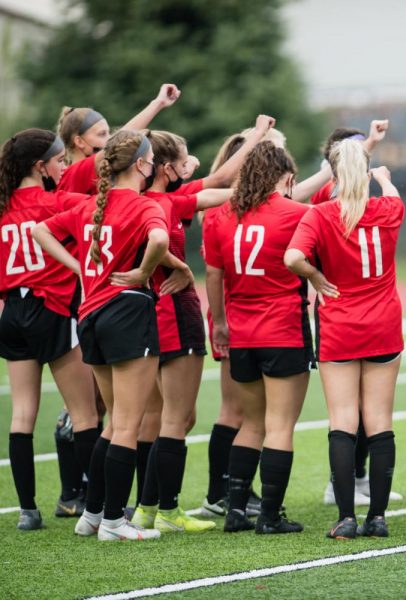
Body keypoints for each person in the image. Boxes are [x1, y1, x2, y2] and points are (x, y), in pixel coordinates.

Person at [33, 129, 170, 541]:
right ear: (142, 164)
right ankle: (113, 521)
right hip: (127, 311)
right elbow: (160, 238)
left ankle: (91, 514)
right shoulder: (143, 205)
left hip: (90, 314)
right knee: (129, 423)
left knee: (112, 425)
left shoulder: (92, 205)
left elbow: (40, 231)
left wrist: (79, 268)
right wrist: (145, 272)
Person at [285, 141, 404, 540]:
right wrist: (384, 179)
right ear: (366, 172)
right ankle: (379, 517)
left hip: (339, 325)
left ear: (333, 175)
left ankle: (347, 517)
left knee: (343, 421)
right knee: (380, 421)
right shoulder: (388, 208)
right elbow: (393, 195)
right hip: (383, 324)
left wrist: (316, 278)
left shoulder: (320, 214)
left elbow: (291, 258)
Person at [204, 141, 312, 535]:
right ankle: (269, 515)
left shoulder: (220, 215)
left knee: (251, 423)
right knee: (280, 425)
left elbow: (213, 276)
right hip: (282, 327)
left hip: (241, 330)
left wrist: (218, 323)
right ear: (284, 177)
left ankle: (235, 509)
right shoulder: (297, 213)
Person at [126, 129, 232, 533]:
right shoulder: (167, 202)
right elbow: (225, 191)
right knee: (176, 417)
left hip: (144, 315)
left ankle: (144, 507)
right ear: (165, 167)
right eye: (183, 161)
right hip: (175, 310)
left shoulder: (135, 200)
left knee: (153, 417)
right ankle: (166, 510)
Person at [0, 129, 99, 530]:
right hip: (52, 310)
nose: (65, 166)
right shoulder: (57, 201)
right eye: (59, 160)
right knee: (85, 413)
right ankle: (98, 506)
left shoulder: (3, 207)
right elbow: (109, 204)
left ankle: (28, 510)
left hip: (12, 313)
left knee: (22, 415)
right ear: (40, 166)